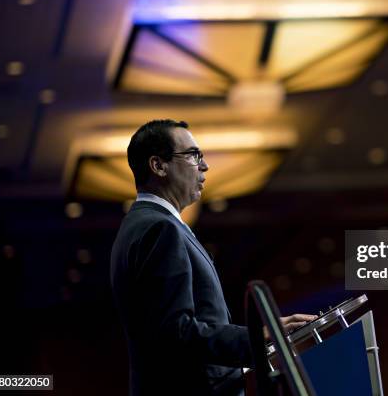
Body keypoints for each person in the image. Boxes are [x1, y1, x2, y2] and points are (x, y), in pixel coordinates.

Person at [110, 119, 314, 396]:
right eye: (193, 156)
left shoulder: (145, 224)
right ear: (158, 165)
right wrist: (254, 337)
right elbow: (175, 333)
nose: (204, 166)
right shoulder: (159, 228)